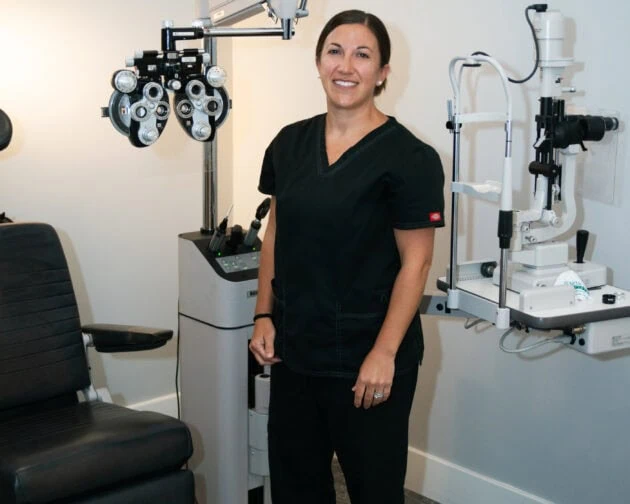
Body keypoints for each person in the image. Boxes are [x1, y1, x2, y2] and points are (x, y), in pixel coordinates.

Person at [249, 9, 444, 504]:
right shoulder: (290, 143)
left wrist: (384, 354)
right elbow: (276, 232)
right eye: (335, 51)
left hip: (369, 356)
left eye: (363, 55)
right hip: (298, 350)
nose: (346, 65)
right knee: (296, 486)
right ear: (318, 62)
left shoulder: (410, 158)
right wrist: (264, 313)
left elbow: (416, 264)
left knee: (373, 489)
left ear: (382, 74)